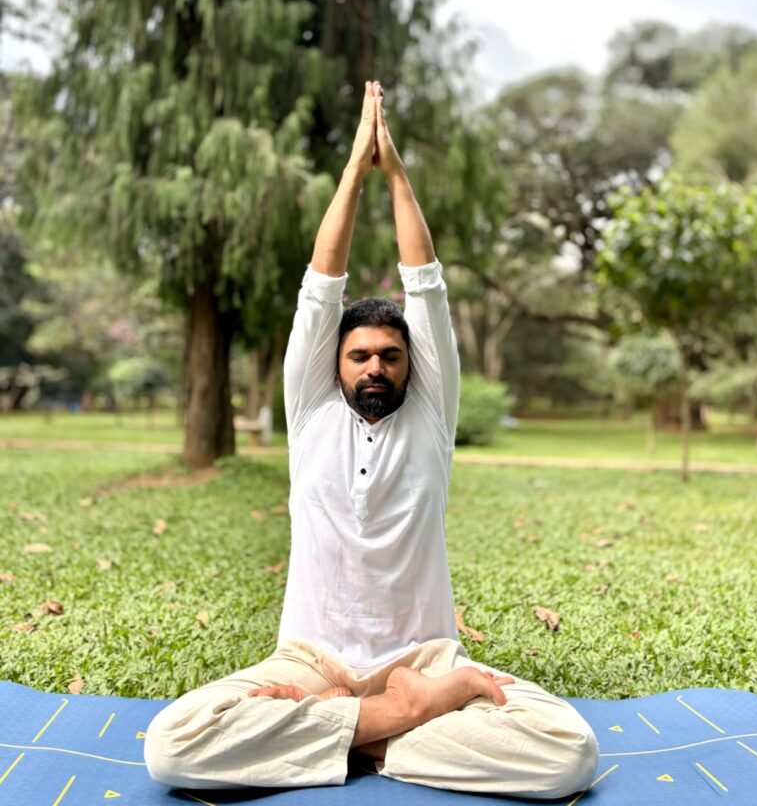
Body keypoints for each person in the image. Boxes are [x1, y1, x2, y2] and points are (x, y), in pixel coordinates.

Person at [144, 82, 599, 799]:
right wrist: (355, 170)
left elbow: (428, 289)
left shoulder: (430, 416)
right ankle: (395, 724)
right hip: (310, 663)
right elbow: (319, 289)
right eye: (359, 356)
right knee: (172, 747)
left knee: (570, 754)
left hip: (425, 659)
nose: (376, 367)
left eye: (390, 355)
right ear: (335, 365)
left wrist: (398, 176)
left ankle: (344, 731)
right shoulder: (310, 412)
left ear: (412, 364)